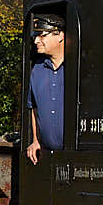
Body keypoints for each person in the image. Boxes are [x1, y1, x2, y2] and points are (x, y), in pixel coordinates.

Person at [24, 12, 67, 161]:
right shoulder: (37, 69)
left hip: (75, 157)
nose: (36, 40)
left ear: (60, 35)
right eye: (36, 36)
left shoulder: (78, 68)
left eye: (42, 35)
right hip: (48, 157)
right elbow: (34, 107)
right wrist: (36, 140)